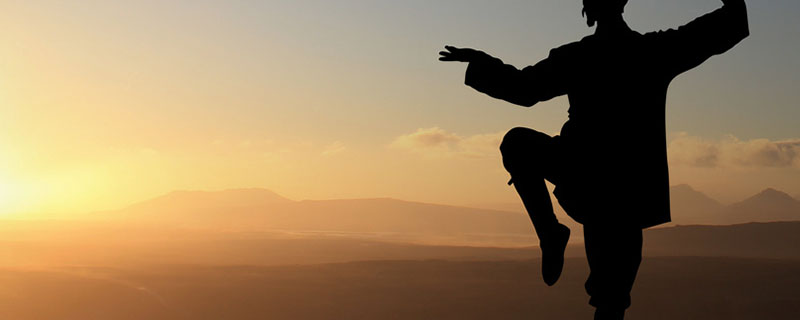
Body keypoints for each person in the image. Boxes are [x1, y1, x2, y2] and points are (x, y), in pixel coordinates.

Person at [439, 0, 749, 318]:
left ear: (588, 9)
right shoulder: (652, 51)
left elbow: (523, 88)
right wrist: (733, 5)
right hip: (617, 189)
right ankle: (551, 234)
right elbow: (717, 30)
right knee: (611, 298)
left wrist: (481, 63)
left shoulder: (584, 55)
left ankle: (550, 233)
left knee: (518, 144)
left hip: (594, 184)